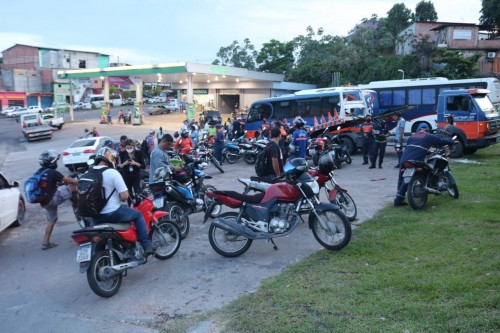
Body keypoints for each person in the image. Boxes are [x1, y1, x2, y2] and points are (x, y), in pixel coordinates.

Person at [92, 147, 154, 255]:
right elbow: (125, 196)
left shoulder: (88, 173)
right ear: (111, 159)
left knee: (100, 237)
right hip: (112, 213)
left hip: (94, 216)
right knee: (138, 215)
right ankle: (146, 244)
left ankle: (98, 255)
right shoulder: (112, 172)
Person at [394, 123, 455, 207]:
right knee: (428, 171)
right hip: (416, 160)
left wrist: (426, 151)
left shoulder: (412, 136)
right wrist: (453, 142)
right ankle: (427, 186)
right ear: (427, 130)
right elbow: (442, 141)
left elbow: (414, 147)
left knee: (401, 179)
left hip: (405, 159)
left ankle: (398, 200)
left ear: (418, 130)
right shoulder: (429, 136)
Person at [36, 150, 78, 250]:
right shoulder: (52, 172)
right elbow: (69, 180)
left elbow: (47, 184)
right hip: (53, 199)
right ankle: (80, 207)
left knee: (52, 220)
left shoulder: (39, 172)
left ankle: (45, 243)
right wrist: (78, 181)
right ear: (52, 162)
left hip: (44, 202)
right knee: (73, 187)